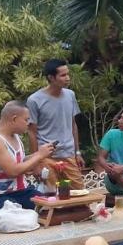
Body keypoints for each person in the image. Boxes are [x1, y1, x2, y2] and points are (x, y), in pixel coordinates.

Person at [0, 101, 56, 214]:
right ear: (14, 119)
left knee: (51, 206)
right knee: (19, 215)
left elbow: (20, 162)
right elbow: (13, 171)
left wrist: (42, 154)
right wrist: (39, 155)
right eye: (26, 119)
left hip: (22, 192)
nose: (28, 123)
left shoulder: (15, 137)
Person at [27, 58, 84, 188]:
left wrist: (77, 152)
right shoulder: (34, 100)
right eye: (63, 75)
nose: (68, 78)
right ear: (51, 78)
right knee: (51, 194)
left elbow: (73, 124)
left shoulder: (70, 95)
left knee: (79, 193)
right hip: (46, 157)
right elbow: (32, 132)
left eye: (68, 74)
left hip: (69, 155)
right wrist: (36, 162)